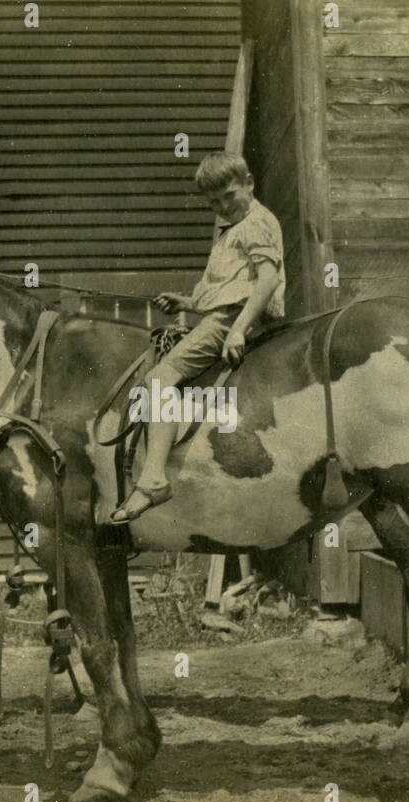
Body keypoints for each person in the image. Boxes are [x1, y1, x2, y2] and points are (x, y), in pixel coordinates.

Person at [111, 151, 285, 523]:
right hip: (225, 314)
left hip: (234, 319)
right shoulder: (234, 228)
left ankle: (154, 477)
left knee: (158, 380)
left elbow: (267, 280)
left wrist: (238, 328)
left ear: (250, 183)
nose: (224, 207)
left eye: (230, 196)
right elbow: (234, 283)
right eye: (215, 203)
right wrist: (189, 302)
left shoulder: (256, 222)